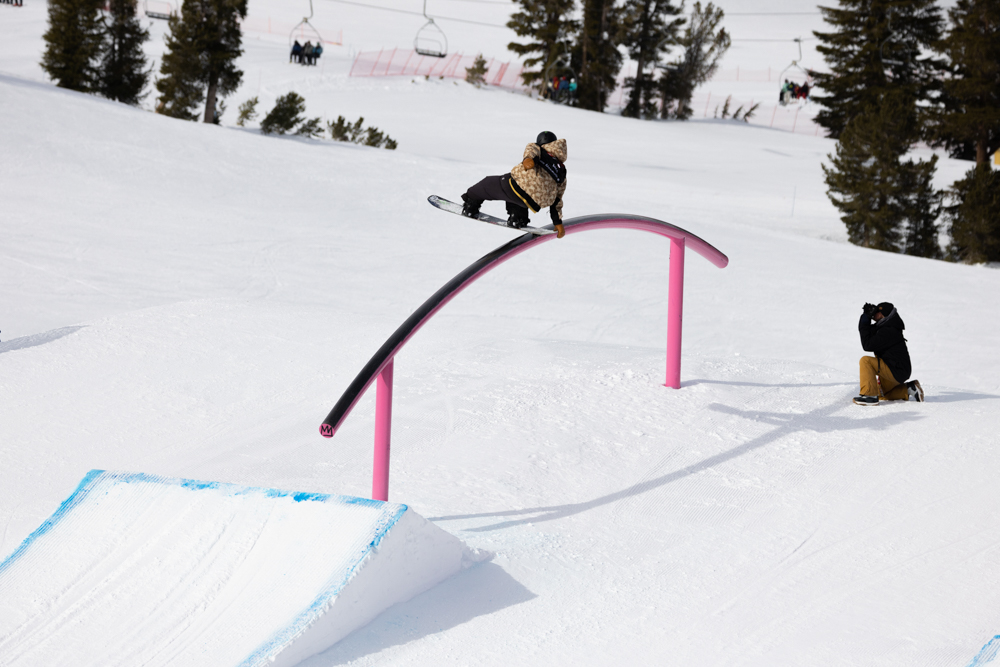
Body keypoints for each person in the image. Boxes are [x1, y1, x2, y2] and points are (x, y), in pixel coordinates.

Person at [460, 131, 568, 238]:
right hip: (535, 201)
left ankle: (470, 206)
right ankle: (518, 218)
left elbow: (531, 151)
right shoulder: (561, 169)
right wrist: (557, 222)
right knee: (520, 195)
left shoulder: (538, 148)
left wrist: (528, 160)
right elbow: (557, 200)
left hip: (518, 187)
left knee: (487, 184)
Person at [854, 302, 923, 405]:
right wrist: (865, 316)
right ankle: (910, 389)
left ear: (883, 314)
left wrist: (866, 318)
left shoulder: (889, 331)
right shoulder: (885, 326)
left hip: (896, 369)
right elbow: (867, 331)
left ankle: (870, 396)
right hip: (897, 369)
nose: (874, 314)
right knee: (881, 394)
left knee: (865, 361)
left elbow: (867, 345)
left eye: (876, 311)